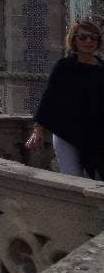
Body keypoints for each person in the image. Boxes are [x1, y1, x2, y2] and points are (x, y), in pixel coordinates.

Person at [26, 19, 104, 178]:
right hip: (66, 131)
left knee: (96, 178)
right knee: (73, 177)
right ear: (74, 40)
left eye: (93, 37)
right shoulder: (64, 67)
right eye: (83, 37)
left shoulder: (102, 69)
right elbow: (49, 98)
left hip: (95, 132)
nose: (88, 41)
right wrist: (38, 130)